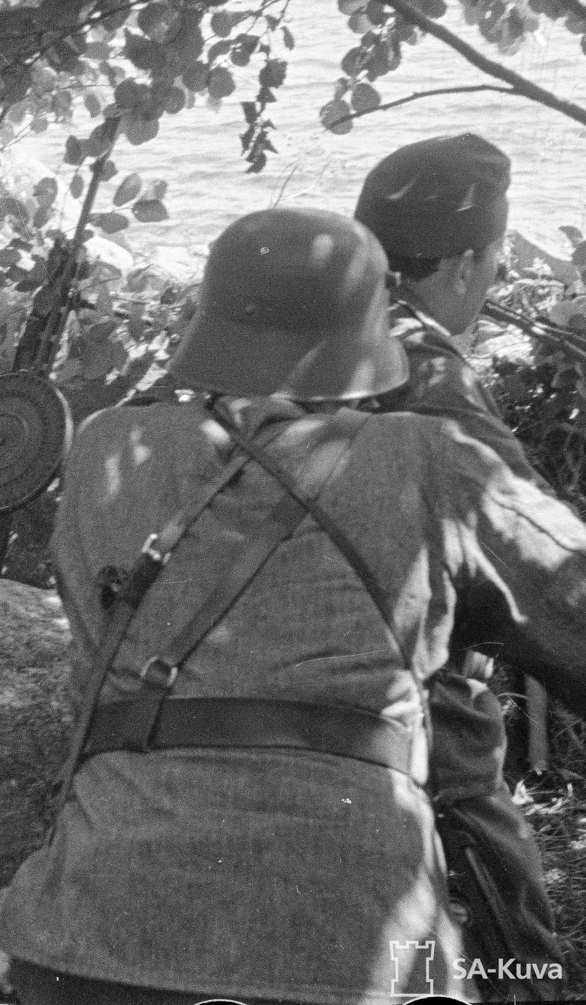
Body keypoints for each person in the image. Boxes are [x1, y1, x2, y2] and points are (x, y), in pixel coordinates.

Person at [0, 208, 586, 1003]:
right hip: (355, 952)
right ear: (372, 339)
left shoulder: (104, 445)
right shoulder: (432, 463)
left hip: (88, 940)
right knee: (519, 967)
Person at [357, 132, 562, 997]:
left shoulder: (271, 334)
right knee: (519, 954)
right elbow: (537, 576)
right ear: (473, 259)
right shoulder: (431, 377)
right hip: (414, 736)